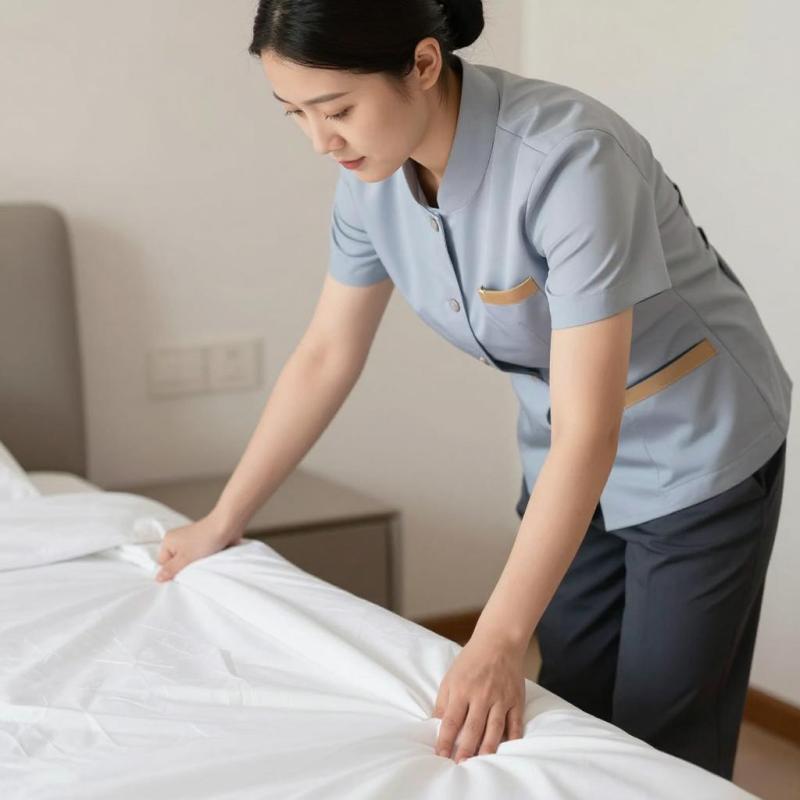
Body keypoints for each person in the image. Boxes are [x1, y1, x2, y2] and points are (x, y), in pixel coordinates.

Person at [154, 0, 792, 780]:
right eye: (296, 113)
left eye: (338, 110)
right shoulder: (371, 179)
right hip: (564, 455)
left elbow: (590, 427)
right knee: (575, 710)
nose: (321, 140)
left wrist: (495, 641)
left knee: (662, 736)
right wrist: (223, 519)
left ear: (423, 64)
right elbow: (325, 354)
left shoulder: (569, 161)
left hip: (697, 446)